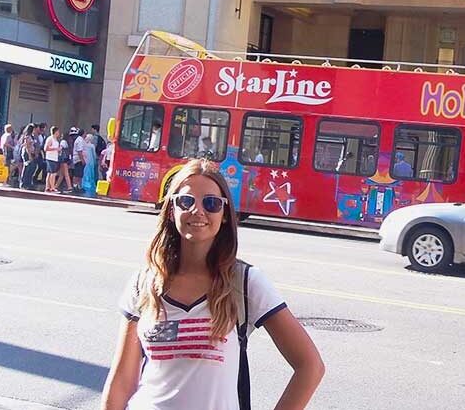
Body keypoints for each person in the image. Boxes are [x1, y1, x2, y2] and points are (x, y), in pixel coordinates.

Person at [101, 159, 323, 410]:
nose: (198, 211)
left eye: (211, 203)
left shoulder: (245, 282)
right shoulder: (144, 282)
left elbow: (310, 366)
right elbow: (122, 381)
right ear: (172, 209)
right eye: (186, 201)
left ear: (225, 215)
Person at [44, 125, 64, 193]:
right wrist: (56, 149)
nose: (59, 133)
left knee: (50, 173)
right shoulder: (50, 139)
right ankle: (52, 187)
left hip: (54, 157)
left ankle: (47, 187)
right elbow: (46, 148)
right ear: (55, 132)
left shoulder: (56, 140)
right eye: (58, 131)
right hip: (50, 158)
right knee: (53, 173)